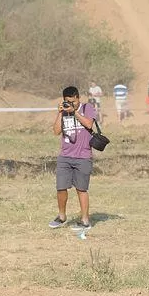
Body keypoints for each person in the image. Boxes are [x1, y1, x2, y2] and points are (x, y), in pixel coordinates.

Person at [50, 86, 97, 231]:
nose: (70, 104)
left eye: (72, 101)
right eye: (67, 101)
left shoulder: (87, 107)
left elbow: (89, 124)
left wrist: (75, 112)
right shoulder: (63, 112)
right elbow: (56, 131)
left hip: (83, 156)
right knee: (61, 187)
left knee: (81, 189)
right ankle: (62, 216)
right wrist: (60, 113)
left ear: (78, 98)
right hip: (65, 156)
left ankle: (85, 220)